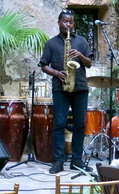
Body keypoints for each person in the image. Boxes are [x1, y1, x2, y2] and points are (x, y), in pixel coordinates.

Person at [39, 9, 93, 174]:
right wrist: (56, 73)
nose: (68, 25)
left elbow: (89, 63)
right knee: (59, 125)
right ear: (59, 22)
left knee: (80, 125)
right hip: (60, 88)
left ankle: (76, 160)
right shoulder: (51, 43)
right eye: (65, 22)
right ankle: (58, 161)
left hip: (80, 87)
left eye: (71, 22)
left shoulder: (82, 41)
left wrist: (80, 56)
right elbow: (44, 65)